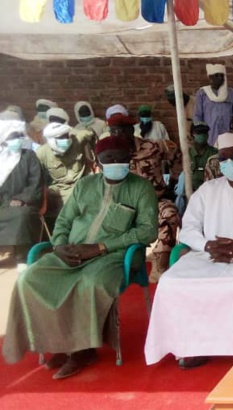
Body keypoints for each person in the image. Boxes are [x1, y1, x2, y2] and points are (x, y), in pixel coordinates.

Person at [3, 136, 158, 379]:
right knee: (29, 280)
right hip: (71, 250)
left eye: (122, 159)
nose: (117, 163)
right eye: (110, 159)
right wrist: (60, 245)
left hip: (115, 255)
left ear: (130, 160)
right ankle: (60, 343)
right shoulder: (85, 185)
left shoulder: (141, 187)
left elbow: (148, 230)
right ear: (98, 161)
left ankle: (84, 350)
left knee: (90, 284)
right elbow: (64, 220)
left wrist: (100, 248)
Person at [144, 132, 233, 369]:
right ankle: (192, 345)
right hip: (206, 254)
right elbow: (189, 227)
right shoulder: (207, 190)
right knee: (171, 281)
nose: (229, 163)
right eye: (223, 158)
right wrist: (207, 245)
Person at [108, 110, 180, 283]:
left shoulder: (153, 147)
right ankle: (116, 264)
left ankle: (161, 263)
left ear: (131, 131)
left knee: (170, 214)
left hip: (156, 200)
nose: (118, 135)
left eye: (122, 130)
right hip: (126, 206)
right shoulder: (111, 153)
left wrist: (174, 180)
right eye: (113, 131)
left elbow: (176, 153)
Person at [0, 119, 43, 266]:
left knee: (21, 215)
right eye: (13, 138)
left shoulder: (29, 156)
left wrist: (21, 198)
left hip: (24, 203)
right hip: (2, 203)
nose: (17, 140)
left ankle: (22, 258)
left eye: (19, 137)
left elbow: (35, 183)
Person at [38, 122, 93, 222]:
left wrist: (95, 158)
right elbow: (38, 180)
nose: (66, 140)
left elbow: (90, 133)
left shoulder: (77, 140)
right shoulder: (42, 153)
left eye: (67, 136)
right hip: (60, 190)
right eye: (61, 138)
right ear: (51, 140)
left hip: (83, 184)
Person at [194, 63, 233, 146]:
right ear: (210, 77)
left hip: (228, 133)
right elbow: (197, 115)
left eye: (222, 75)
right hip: (209, 134)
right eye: (217, 75)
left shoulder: (232, 93)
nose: (220, 78)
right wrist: (200, 133)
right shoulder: (202, 93)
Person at [187, 123, 217, 192]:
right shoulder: (186, 154)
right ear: (192, 134)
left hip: (209, 191)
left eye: (204, 132)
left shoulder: (214, 153)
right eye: (199, 133)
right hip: (189, 192)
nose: (202, 135)